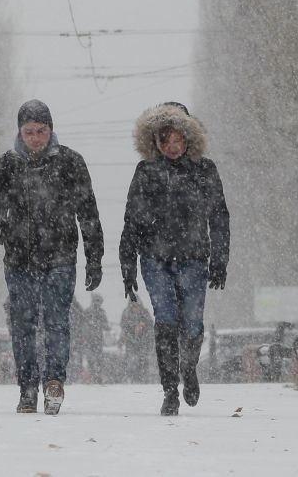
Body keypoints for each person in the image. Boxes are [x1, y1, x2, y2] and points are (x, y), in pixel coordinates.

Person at [0, 99, 104, 415]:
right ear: (20, 132)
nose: (35, 138)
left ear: (51, 130)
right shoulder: (6, 166)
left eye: (41, 131)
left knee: (56, 321)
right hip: (19, 259)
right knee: (22, 325)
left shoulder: (71, 163)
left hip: (60, 256)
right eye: (29, 132)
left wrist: (94, 257)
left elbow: (88, 212)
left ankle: (54, 382)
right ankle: (27, 387)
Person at [118, 102, 229, 415]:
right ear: (155, 141)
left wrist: (220, 259)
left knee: (192, 323)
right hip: (155, 260)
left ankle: (188, 367)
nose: (172, 146)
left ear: (188, 138)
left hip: (194, 258)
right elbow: (132, 220)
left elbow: (219, 216)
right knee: (165, 321)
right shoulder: (146, 172)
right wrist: (127, 266)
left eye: (177, 139)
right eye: (165, 140)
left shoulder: (205, 170)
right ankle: (169, 390)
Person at [119, 294, 153, 382]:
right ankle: (132, 378)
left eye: (137, 305)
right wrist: (125, 335)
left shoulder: (145, 312)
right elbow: (123, 326)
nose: (135, 307)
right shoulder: (126, 313)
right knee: (131, 360)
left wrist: (143, 324)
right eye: (133, 305)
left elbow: (150, 324)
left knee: (143, 360)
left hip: (143, 341)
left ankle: (142, 378)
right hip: (130, 341)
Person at [83, 293, 110, 383]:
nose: (98, 304)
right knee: (91, 359)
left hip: (98, 339)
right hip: (90, 339)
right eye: (97, 301)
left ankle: (97, 376)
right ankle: (92, 376)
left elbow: (105, 325)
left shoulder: (101, 312)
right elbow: (83, 325)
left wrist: (104, 326)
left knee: (98, 359)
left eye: (99, 302)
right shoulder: (87, 312)